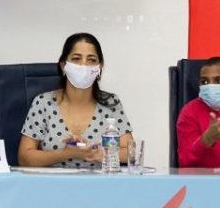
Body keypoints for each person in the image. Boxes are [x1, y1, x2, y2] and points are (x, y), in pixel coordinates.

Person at [18, 33, 133, 168]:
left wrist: (100, 153)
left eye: (91, 60)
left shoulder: (111, 103)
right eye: (76, 58)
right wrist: (66, 153)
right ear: (63, 65)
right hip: (54, 181)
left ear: (99, 67)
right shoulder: (43, 103)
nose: (84, 65)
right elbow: (24, 158)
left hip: (99, 181)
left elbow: (130, 152)